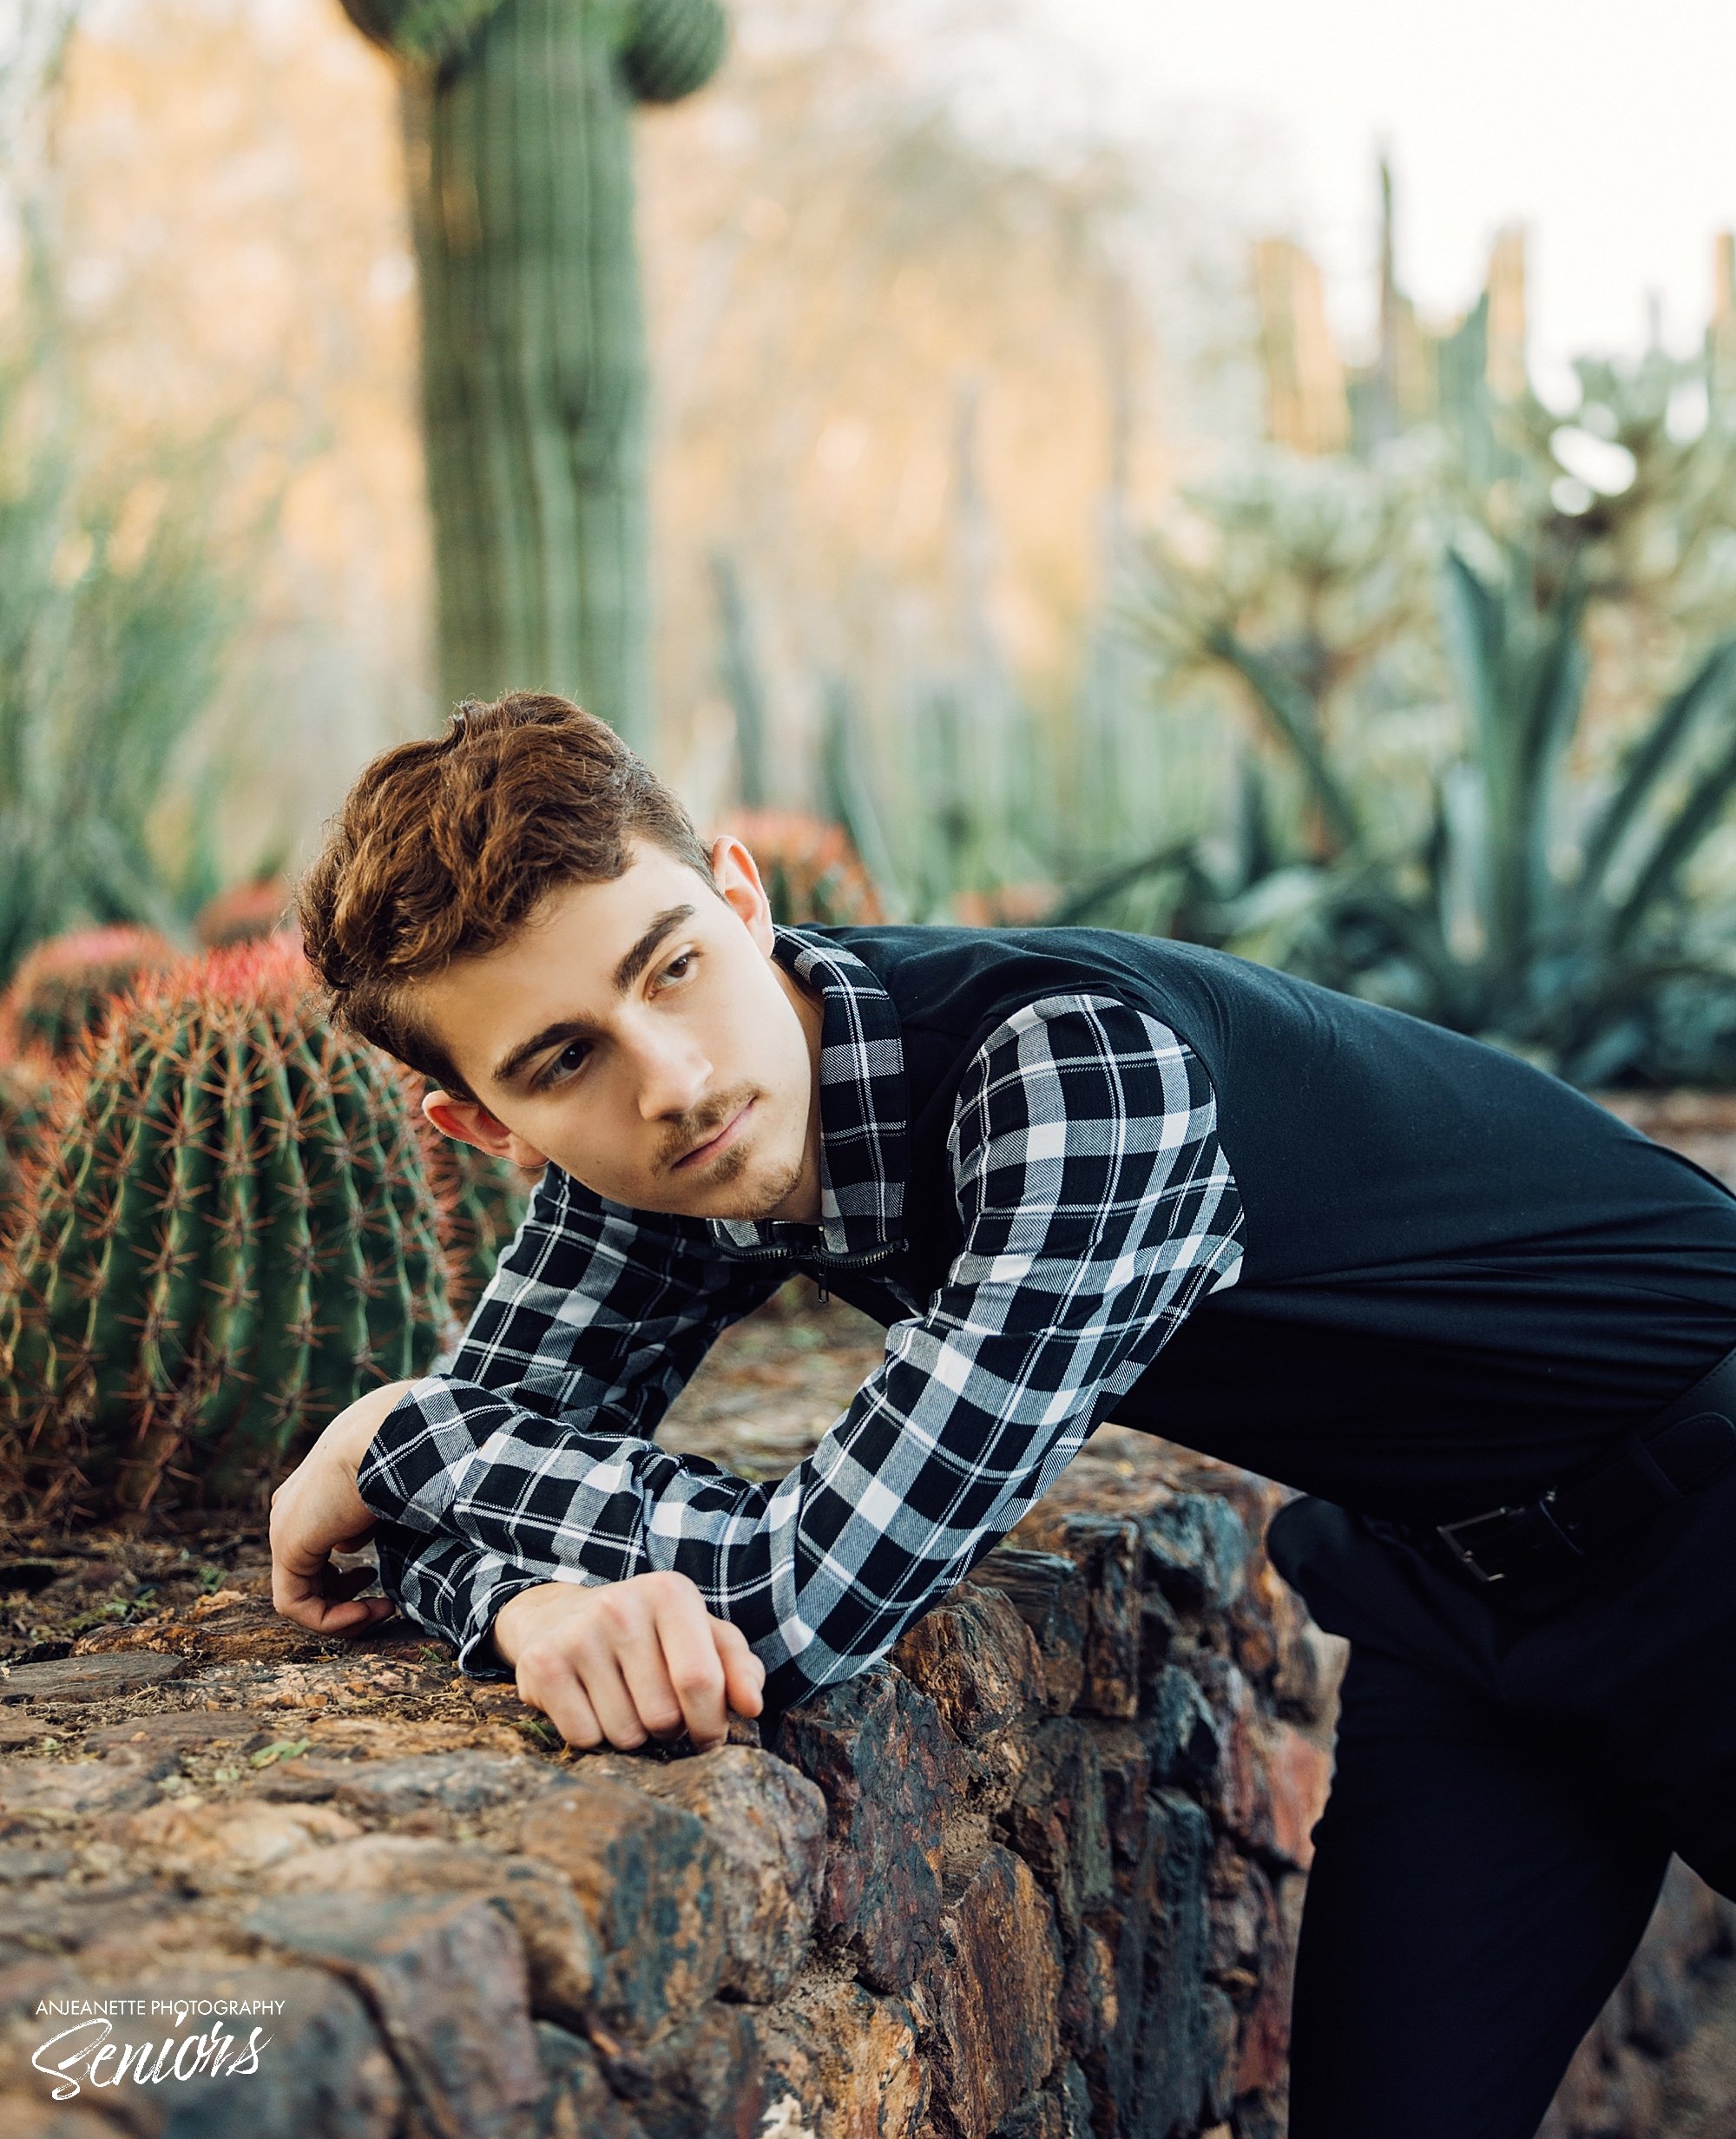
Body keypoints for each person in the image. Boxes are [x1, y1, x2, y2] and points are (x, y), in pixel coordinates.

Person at [271, 690, 1736, 2139]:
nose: (676, 1077)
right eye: (561, 1058)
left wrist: (394, 1438)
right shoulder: (667, 1158)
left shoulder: (1072, 1074)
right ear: (480, 1119)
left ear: (741, 896)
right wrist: (527, 1616)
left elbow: (798, 1598)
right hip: (1459, 1601)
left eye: (672, 969)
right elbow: (459, 1488)